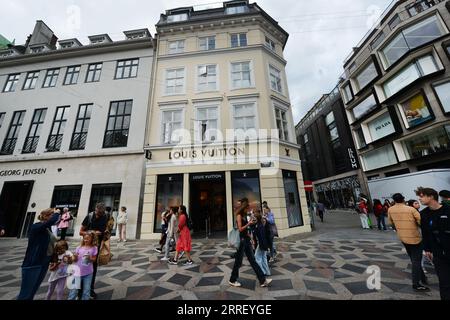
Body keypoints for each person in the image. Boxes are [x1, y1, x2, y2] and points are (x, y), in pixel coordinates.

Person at [387, 193, 429, 292]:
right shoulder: (411, 209)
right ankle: (416, 284)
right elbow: (421, 222)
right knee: (416, 260)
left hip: (403, 238)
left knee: (414, 259)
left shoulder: (390, 209)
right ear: (403, 199)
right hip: (415, 238)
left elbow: (390, 223)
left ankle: (423, 278)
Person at [229, 198, 272, 288]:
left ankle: (262, 280)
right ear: (245, 207)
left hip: (246, 240)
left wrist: (250, 235)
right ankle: (232, 280)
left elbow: (245, 229)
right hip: (242, 241)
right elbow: (240, 229)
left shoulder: (244, 215)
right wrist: (249, 224)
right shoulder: (239, 216)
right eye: (248, 207)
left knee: (253, 260)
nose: (249, 209)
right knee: (238, 262)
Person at [17, 208, 59, 300]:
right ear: (45, 216)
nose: (55, 217)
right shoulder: (36, 226)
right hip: (34, 262)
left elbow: (50, 245)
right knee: (26, 293)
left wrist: (54, 260)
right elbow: (51, 221)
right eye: (51, 214)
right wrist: (57, 213)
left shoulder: (48, 229)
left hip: (44, 261)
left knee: (33, 290)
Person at [416, 187, 450, 300]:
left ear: (431, 196)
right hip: (439, 254)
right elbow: (425, 234)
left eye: (421, 196)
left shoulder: (448, 209)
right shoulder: (424, 214)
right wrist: (427, 249)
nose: (419, 199)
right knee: (444, 283)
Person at [79, 203, 108, 300]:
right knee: (84, 265)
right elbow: (81, 232)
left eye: (100, 214)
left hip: (96, 247)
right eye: (97, 213)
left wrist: (106, 234)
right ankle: (80, 290)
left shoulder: (106, 217)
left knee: (93, 268)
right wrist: (93, 233)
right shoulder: (90, 216)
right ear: (95, 209)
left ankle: (90, 289)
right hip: (86, 247)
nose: (98, 215)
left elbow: (106, 231)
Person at [68, 232, 98, 300]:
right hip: (77, 273)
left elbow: (94, 259)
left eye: (88, 239)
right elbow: (75, 260)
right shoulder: (79, 247)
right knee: (73, 291)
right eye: (84, 239)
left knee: (86, 292)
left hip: (88, 273)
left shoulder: (94, 248)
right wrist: (74, 257)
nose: (86, 240)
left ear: (92, 239)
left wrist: (90, 258)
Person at [254, 210, 271, 276]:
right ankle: (267, 272)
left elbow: (262, 236)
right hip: (264, 244)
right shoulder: (259, 224)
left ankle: (262, 271)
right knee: (263, 257)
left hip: (262, 244)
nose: (253, 218)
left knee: (257, 257)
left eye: (254, 216)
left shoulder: (259, 225)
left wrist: (263, 245)